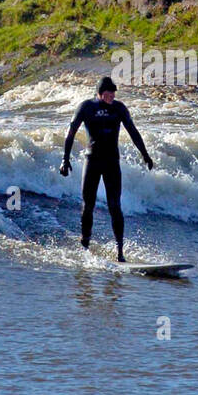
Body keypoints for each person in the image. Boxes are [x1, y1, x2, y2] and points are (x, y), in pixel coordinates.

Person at [60, 76, 153, 262]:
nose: (112, 97)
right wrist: (65, 158)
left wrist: (145, 154)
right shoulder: (87, 107)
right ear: (100, 93)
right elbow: (71, 131)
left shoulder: (119, 108)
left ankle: (120, 252)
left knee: (115, 206)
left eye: (113, 94)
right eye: (108, 94)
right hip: (92, 160)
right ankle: (84, 246)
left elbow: (133, 131)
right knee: (88, 206)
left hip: (111, 162)